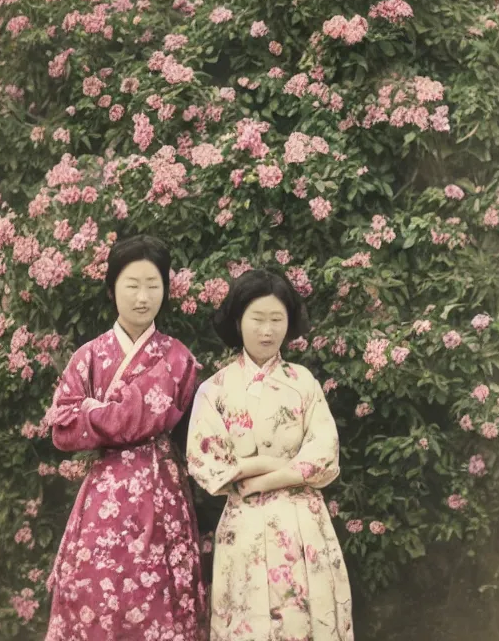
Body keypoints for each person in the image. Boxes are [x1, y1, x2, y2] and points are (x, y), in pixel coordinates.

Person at [44, 235, 207, 641]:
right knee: (97, 596)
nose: (142, 296)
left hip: (162, 490)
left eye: (153, 285)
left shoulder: (179, 358)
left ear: (165, 290)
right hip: (106, 493)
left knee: (164, 596)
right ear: (112, 288)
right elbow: (62, 428)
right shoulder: (89, 355)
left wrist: (93, 411)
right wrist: (116, 417)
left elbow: (192, 432)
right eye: (131, 284)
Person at [187, 269, 354, 641]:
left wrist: (260, 478)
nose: (267, 330)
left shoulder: (303, 382)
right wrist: (276, 464)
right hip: (244, 528)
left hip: (303, 525)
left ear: (289, 323)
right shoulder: (214, 391)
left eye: (277, 320)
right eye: (257, 319)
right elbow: (208, 464)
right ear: (237, 321)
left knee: (306, 619)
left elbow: (325, 455)